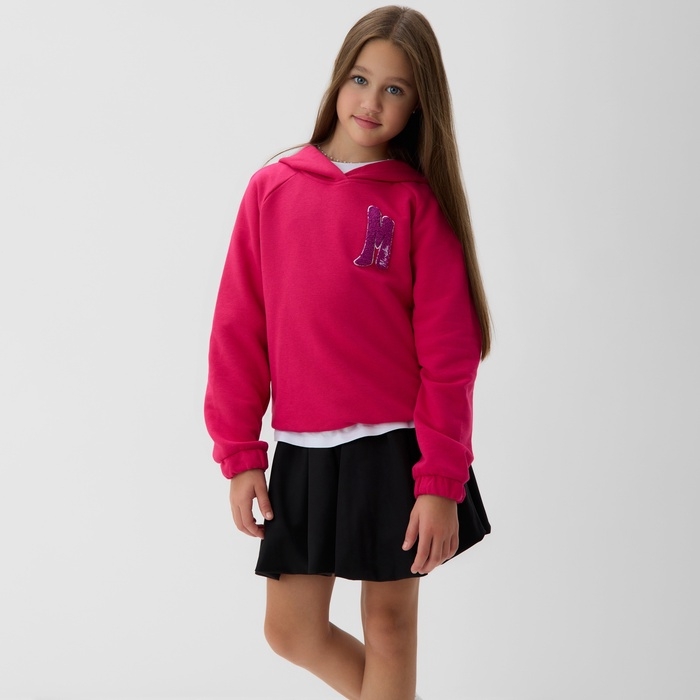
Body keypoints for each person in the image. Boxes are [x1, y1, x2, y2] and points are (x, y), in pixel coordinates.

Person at [205, 6, 492, 699]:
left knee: (389, 625)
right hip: (303, 447)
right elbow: (239, 328)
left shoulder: (416, 205)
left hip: (396, 448)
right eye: (361, 79)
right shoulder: (272, 189)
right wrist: (240, 454)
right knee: (291, 630)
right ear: (338, 80)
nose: (372, 101)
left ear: (419, 106)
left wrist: (440, 481)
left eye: (395, 89)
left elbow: (449, 355)